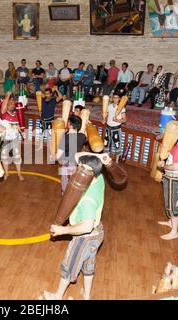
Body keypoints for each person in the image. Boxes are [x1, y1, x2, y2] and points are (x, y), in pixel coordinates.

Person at [43, 152, 107, 300]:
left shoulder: (88, 199)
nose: (79, 172)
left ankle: (57, 297)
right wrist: (99, 158)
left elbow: (86, 226)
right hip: (98, 233)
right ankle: (87, 295)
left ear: (91, 174)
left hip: (84, 237)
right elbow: (78, 155)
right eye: (79, 168)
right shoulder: (99, 178)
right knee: (88, 265)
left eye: (83, 170)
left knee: (69, 266)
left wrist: (63, 230)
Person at [56, 115, 88, 194]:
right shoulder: (82, 136)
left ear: (70, 124)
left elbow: (57, 156)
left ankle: (65, 195)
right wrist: (87, 125)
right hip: (76, 163)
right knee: (72, 180)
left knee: (66, 184)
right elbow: (85, 135)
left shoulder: (65, 139)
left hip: (67, 164)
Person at [0, 92, 24, 181]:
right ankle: (6, 173)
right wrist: (8, 95)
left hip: (15, 139)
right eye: (9, 103)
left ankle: (19, 174)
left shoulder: (17, 116)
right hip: (5, 140)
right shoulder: (3, 114)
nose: (11, 105)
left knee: (17, 157)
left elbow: (18, 126)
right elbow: (4, 105)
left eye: (13, 103)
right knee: (4, 157)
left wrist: (22, 132)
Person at [102, 95, 127, 163]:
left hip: (116, 128)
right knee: (106, 143)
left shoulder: (122, 108)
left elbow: (124, 120)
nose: (115, 99)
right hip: (108, 127)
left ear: (119, 99)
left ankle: (116, 161)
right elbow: (106, 114)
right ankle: (106, 159)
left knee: (117, 144)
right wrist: (104, 119)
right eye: (114, 97)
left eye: (117, 97)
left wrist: (117, 120)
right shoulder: (109, 106)